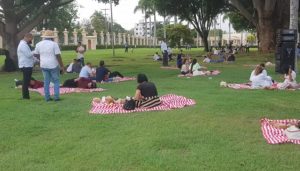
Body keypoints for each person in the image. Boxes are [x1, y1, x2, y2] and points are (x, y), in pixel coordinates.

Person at [34, 30, 64, 101]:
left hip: (43, 64)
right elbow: (58, 56)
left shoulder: (38, 44)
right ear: (51, 37)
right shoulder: (54, 44)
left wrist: (41, 59)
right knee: (56, 81)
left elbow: (35, 54)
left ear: (44, 37)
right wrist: (62, 66)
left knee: (46, 81)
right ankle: (56, 97)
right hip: (53, 64)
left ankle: (47, 97)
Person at [17, 33, 34, 99]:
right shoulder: (23, 45)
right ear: (27, 37)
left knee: (26, 80)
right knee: (26, 81)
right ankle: (25, 96)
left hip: (27, 64)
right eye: (31, 39)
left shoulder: (24, 44)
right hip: (26, 65)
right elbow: (29, 55)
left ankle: (25, 96)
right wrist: (36, 51)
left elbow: (29, 55)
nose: (31, 41)